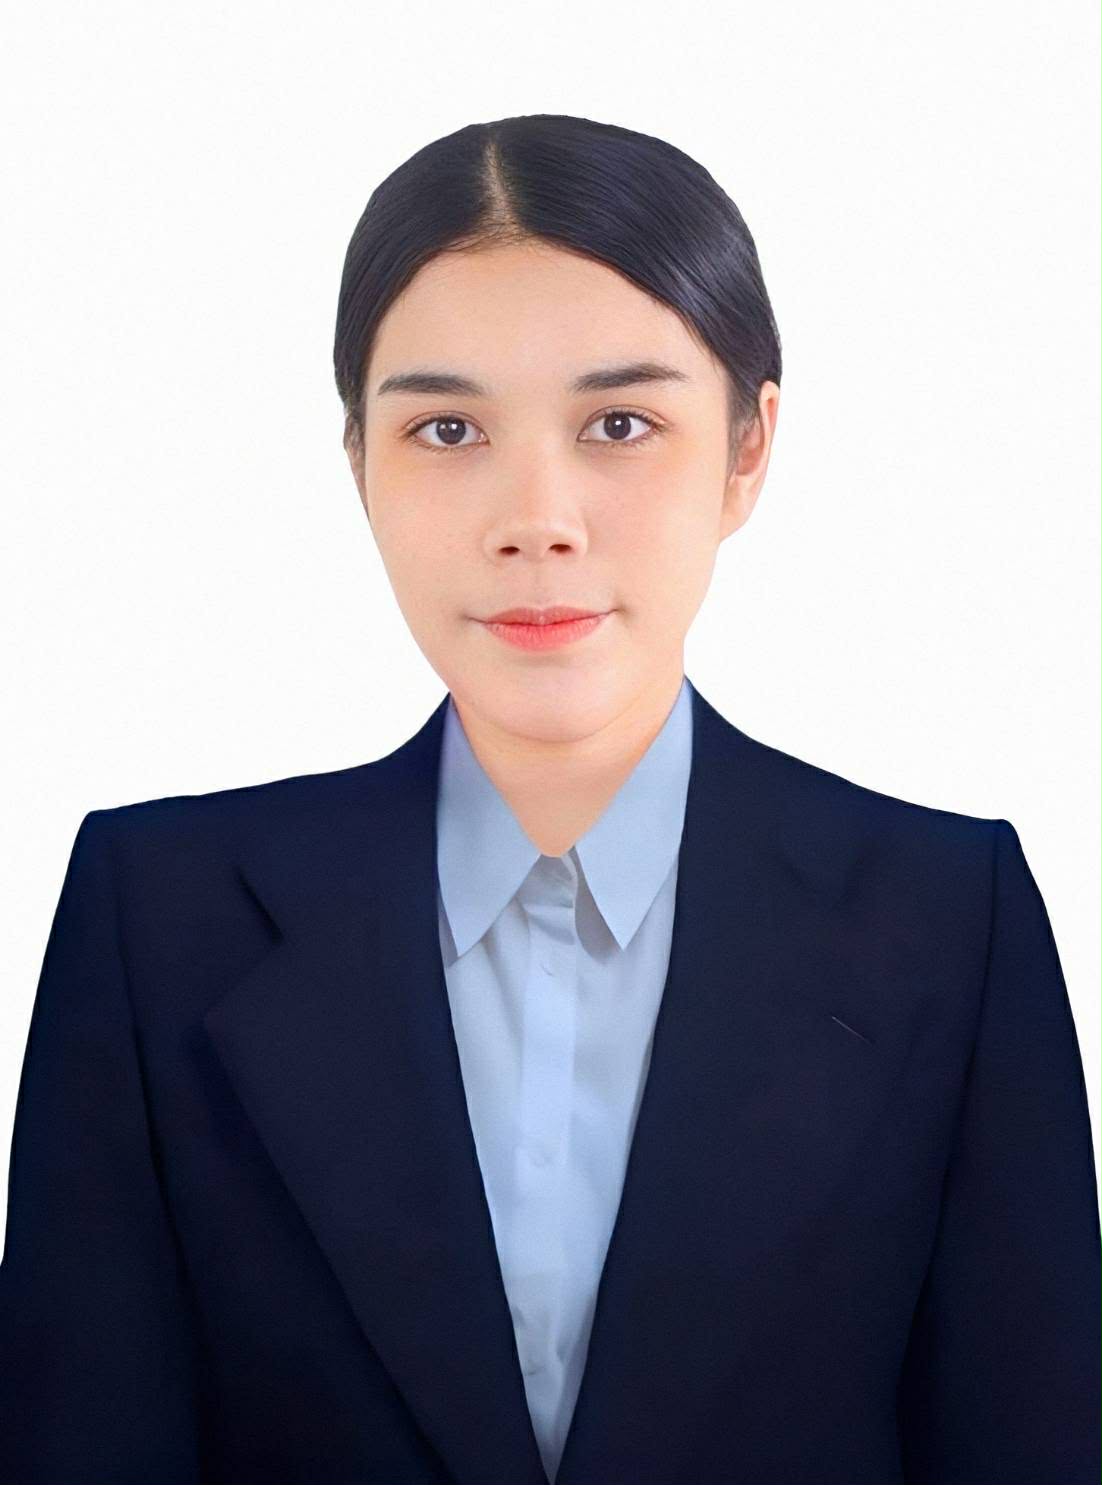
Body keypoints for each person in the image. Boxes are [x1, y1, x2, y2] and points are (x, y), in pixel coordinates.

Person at [1, 112, 1098, 1485]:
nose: (537, 519)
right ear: (358, 459)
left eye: (620, 423)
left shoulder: (947, 917)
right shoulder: (156, 913)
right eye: (447, 427)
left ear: (747, 449)